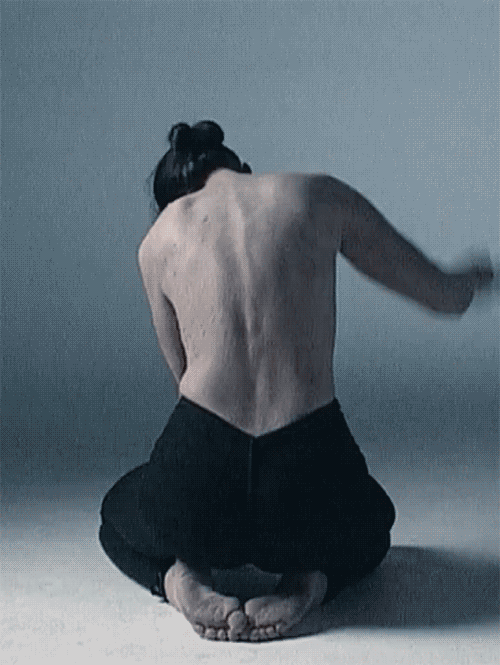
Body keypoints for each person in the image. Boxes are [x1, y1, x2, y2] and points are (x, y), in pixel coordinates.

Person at [99, 120, 496, 643]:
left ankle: (180, 576)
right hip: (306, 478)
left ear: (176, 196)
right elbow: (442, 296)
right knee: (373, 524)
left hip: (203, 479)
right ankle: (309, 581)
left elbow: (183, 379)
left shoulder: (158, 241)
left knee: (118, 515)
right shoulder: (316, 195)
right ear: (242, 169)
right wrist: (472, 280)